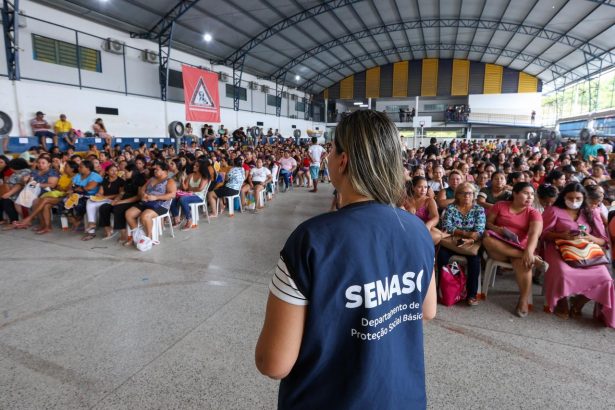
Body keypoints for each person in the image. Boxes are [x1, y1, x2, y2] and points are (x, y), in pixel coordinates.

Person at [255, 110, 436, 409]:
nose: (327, 156)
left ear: (343, 160)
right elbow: (427, 310)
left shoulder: (311, 240)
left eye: (331, 149)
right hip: (403, 399)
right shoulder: (417, 229)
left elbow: (274, 363)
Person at [541, 183, 614, 327]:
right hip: (558, 248)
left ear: (584, 198)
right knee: (563, 273)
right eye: (570, 198)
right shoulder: (554, 211)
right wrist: (561, 235)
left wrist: (589, 237)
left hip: (586, 251)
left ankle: (578, 304)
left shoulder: (591, 213)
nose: (574, 201)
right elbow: (543, 234)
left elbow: (603, 240)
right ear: (563, 197)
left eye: (578, 198)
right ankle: (562, 303)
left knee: (605, 279)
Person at [483, 182, 545, 317]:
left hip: (521, 247)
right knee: (487, 239)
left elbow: (534, 234)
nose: (530, 197)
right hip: (499, 247)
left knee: (523, 262)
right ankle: (531, 258)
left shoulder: (534, 213)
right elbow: (487, 223)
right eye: (526, 193)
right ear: (515, 193)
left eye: (532, 194)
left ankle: (523, 300)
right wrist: (497, 229)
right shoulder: (500, 205)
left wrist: (529, 251)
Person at [438, 182, 486, 305]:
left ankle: (471, 294)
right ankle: (442, 289)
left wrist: (472, 238)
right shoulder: (451, 208)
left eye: (470, 193)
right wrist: (466, 233)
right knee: (442, 256)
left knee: (475, 261)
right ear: (457, 195)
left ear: (474, 195)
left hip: (471, 243)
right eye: (463, 193)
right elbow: (447, 226)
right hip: (452, 241)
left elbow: (479, 230)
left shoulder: (479, 210)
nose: (466, 196)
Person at [125, 161, 177, 245]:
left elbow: (172, 195)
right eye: (155, 169)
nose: (155, 171)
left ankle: (149, 237)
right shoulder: (152, 179)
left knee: (145, 216)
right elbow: (142, 189)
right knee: (129, 213)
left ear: (165, 171)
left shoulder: (169, 181)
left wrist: (156, 197)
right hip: (146, 202)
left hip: (161, 205)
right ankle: (137, 235)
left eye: (157, 169)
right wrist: (143, 194)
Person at [98, 163, 145, 242]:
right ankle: (108, 229)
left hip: (134, 202)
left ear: (132, 172)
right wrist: (116, 200)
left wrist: (121, 202)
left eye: (126, 172)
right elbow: (122, 193)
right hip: (124, 200)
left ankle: (123, 233)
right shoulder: (127, 180)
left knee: (118, 209)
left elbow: (138, 197)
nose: (124, 174)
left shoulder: (140, 181)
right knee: (104, 207)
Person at [82, 164, 123, 240]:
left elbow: (120, 194)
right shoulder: (104, 180)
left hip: (114, 201)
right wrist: (99, 194)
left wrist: (106, 197)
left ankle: (92, 229)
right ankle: (92, 224)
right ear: (107, 172)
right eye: (112, 170)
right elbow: (101, 192)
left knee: (96, 205)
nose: (114, 172)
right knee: (90, 201)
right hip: (104, 200)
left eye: (116, 170)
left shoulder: (120, 181)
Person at [170, 159, 210, 230]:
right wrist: (183, 181)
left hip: (199, 196)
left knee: (183, 199)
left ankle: (189, 219)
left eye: (197, 166)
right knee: (172, 198)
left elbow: (200, 189)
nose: (194, 166)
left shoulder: (204, 176)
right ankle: (176, 218)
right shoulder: (190, 175)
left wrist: (190, 189)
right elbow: (185, 188)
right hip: (189, 194)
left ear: (201, 168)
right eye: (194, 165)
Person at [403, 176, 443, 244]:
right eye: (419, 187)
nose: (423, 190)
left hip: (423, 229)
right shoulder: (406, 200)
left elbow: (436, 217)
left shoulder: (429, 201)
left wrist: (428, 225)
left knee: (437, 235)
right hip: (408, 228)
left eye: (425, 187)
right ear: (413, 188)